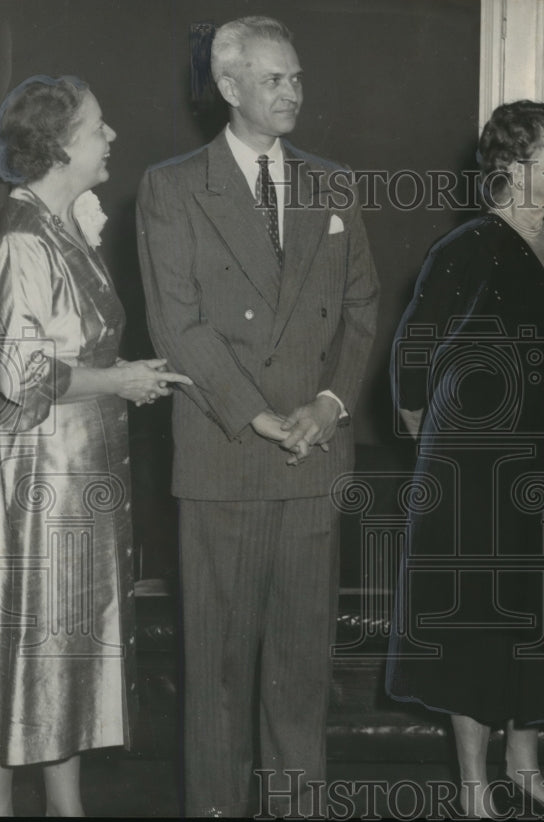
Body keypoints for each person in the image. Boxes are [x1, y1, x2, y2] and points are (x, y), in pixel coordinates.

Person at [136, 15, 379, 818]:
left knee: (302, 673)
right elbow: (181, 328)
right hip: (225, 460)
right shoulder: (172, 189)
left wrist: (330, 402)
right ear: (229, 87)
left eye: (298, 77)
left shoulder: (333, 182)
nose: (292, 92)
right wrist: (259, 417)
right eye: (273, 79)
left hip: (313, 462)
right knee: (217, 676)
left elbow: (361, 310)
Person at [0, 75, 190, 817]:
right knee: (20, 645)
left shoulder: (62, 227)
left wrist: (124, 378)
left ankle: (68, 810)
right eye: (98, 126)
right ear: (61, 145)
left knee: (59, 651)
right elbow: (18, 371)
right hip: (36, 473)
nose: (112, 137)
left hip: (77, 469)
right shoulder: (23, 239)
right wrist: (117, 379)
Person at [386, 100, 544, 818]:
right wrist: (442, 454)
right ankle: (476, 789)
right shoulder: (470, 245)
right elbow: (413, 354)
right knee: (478, 626)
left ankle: (525, 765)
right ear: (515, 170)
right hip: (483, 475)